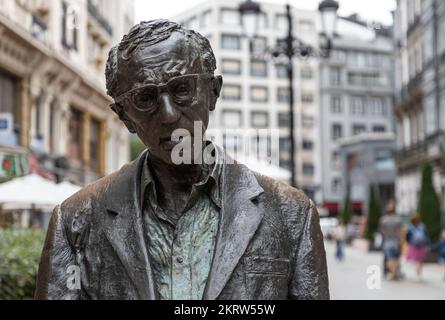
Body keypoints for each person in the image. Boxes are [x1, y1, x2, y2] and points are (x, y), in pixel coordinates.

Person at [35, 20, 329, 300]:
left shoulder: (292, 214)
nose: (169, 115)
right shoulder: (75, 220)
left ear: (213, 93)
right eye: (146, 98)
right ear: (125, 117)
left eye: (182, 89)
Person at [379, 200, 402, 280]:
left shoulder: (383, 220)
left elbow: (382, 231)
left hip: (388, 241)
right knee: (396, 258)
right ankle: (395, 273)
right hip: (396, 241)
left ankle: (391, 273)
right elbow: (400, 232)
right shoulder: (398, 220)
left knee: (389, 259)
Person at [406, 214, 429, 279]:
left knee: (415, 259)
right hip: (422, 244)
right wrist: (427, 244)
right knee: (421, 259)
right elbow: (426, 235)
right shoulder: (422, 226)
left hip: (414, 245)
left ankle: (417, 271)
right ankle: (419, 271)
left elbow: (407, 237)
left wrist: (408, 243)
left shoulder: (410, 227)